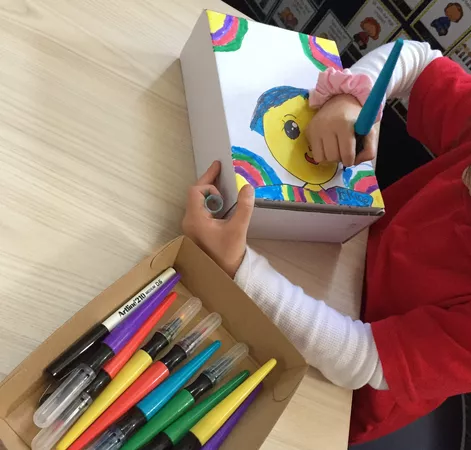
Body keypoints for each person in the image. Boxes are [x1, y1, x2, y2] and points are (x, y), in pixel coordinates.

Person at [182, 41, 471, 446]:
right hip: (332, 255)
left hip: (331, 389)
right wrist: (352, 97)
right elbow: (419, 61)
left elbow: (359, 360)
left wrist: (239, 268)